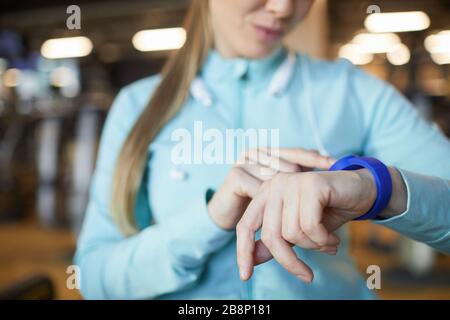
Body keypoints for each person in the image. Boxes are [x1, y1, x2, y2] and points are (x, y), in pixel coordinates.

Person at [75, 0, 450, 299]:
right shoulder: (138, 106)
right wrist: (208, 220)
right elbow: (94, 278)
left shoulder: (353, 92)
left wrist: (377, 189)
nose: (285, 8)